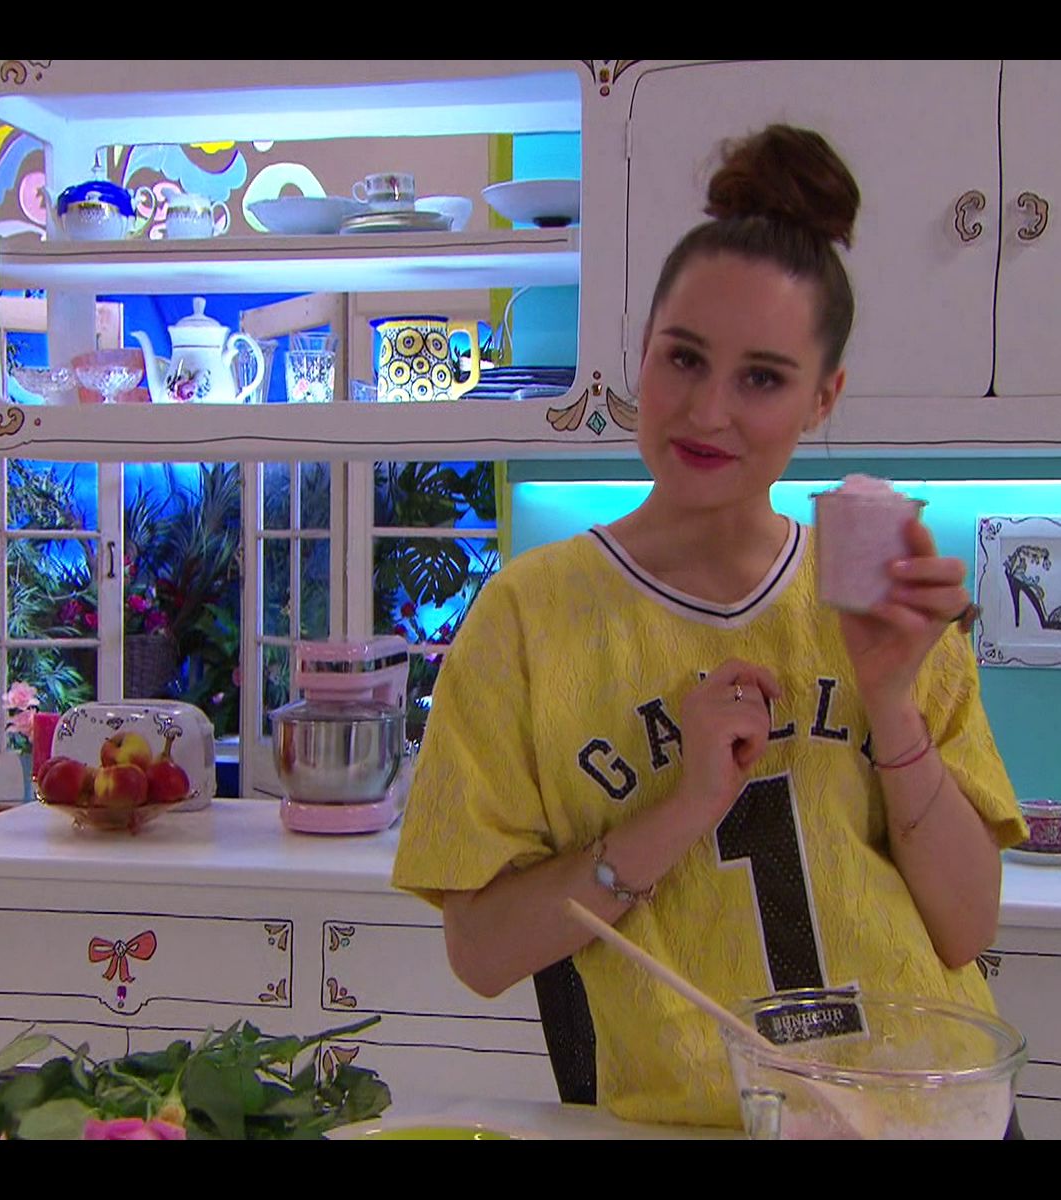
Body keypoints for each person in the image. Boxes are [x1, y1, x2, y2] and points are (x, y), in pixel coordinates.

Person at [391, 124, 1028, 1129]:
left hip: (926, 1108)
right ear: (641, 354)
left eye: (763, 377)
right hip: (690, 1118)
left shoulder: (876, 598)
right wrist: (684, 805)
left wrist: (895, 702)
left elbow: (964, 928)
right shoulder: (527, 620)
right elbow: (481, 953)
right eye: (683, 358)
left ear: (823, 397)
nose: (708, 411)